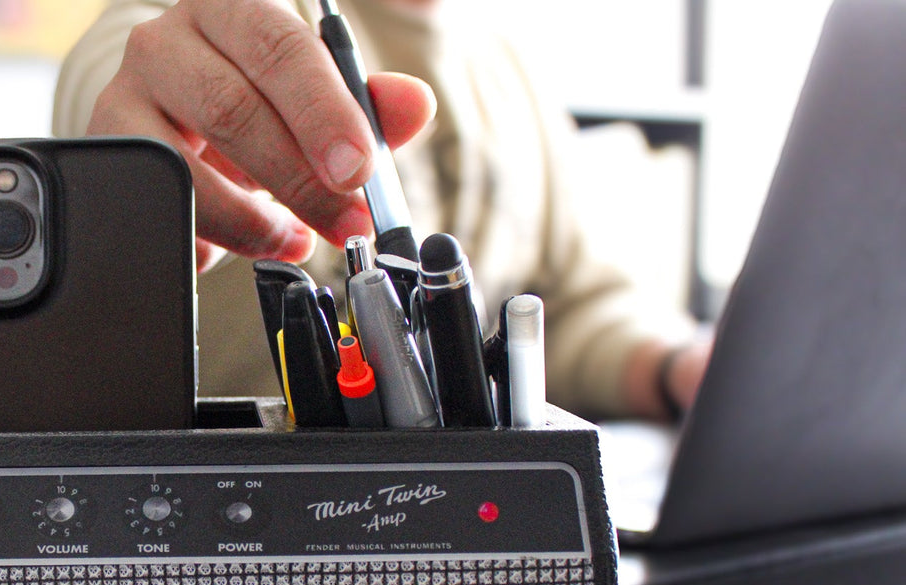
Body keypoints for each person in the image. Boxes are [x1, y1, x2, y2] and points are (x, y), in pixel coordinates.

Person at [53, 0, 712, 420]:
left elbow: (567, 306)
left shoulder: (509, 66)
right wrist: (133, 140)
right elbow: (124, 64)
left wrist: (677, 365)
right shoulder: (226, 12)